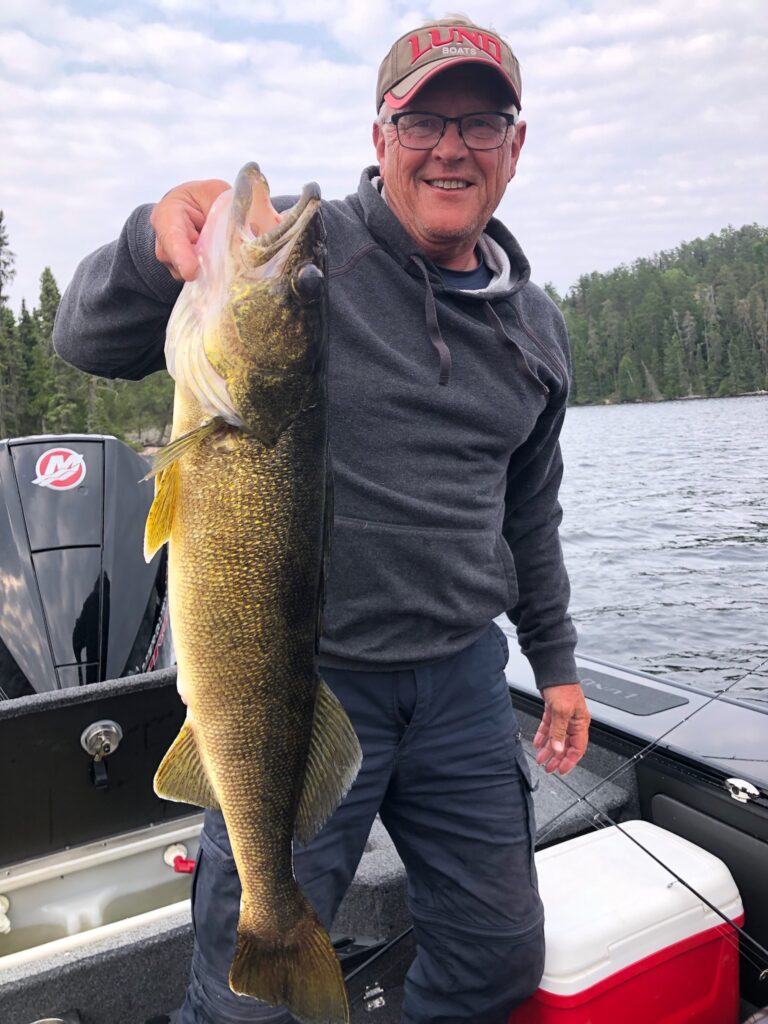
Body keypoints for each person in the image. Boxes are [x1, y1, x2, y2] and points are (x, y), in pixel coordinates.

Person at [54, 15, 591, 1024]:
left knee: (497, 957)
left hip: (464, 685)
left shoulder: (536, 329)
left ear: (515, 147)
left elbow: (530, 507)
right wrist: (148, 238)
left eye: (480, 123)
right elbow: (84, 337)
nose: (449, 147)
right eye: (422, 119)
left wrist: (554, 663)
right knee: (244, 999)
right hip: (299, 679)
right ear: (380, 135)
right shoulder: (308, 257)